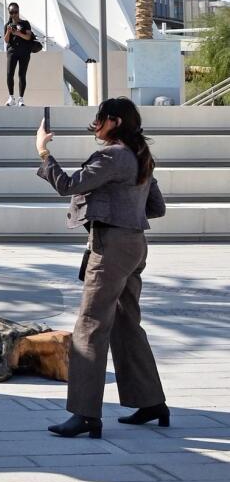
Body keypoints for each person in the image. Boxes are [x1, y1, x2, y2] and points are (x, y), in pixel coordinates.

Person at [35, 96, 169, 438]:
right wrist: (123, 207)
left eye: (101, 119)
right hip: (135, 245)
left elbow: (68, 185)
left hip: (110, 247)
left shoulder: (112, 156)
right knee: (126, 323)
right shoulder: (141, 158)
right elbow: (156, 207)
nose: (97, 124)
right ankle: (151, 401)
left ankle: (85, 414)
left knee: (91, 325)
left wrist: (43, 153)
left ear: (116, 121)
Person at [3, 2, 34, 106]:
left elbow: (28, 37)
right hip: (12, 52)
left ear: (18, 11)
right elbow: (6, 40)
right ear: (9, 13)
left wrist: (18, 33)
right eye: (11, 12)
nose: (14, 14)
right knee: (9, 74)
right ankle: (11, 97)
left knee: (22, 75)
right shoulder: (7, 25)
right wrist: (8, 31)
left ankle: (21, 99)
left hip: (24, 52)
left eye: (15, 12)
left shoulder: (25, 23)